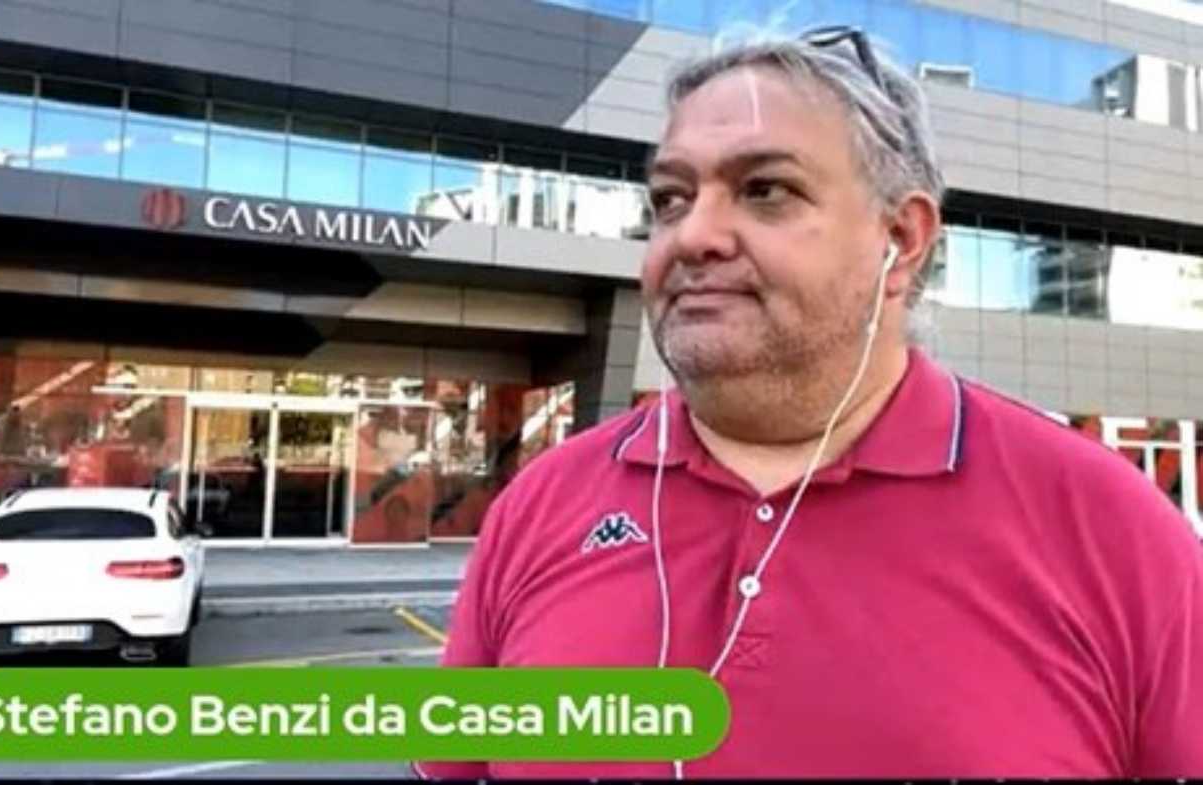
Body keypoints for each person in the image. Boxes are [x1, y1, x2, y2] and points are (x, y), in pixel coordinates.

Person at [415, 25, 1203, 779]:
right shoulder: (542, 506)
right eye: (671, 198)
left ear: (902, 240)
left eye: (765, 190)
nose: (693, 236)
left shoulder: (1111, 530)